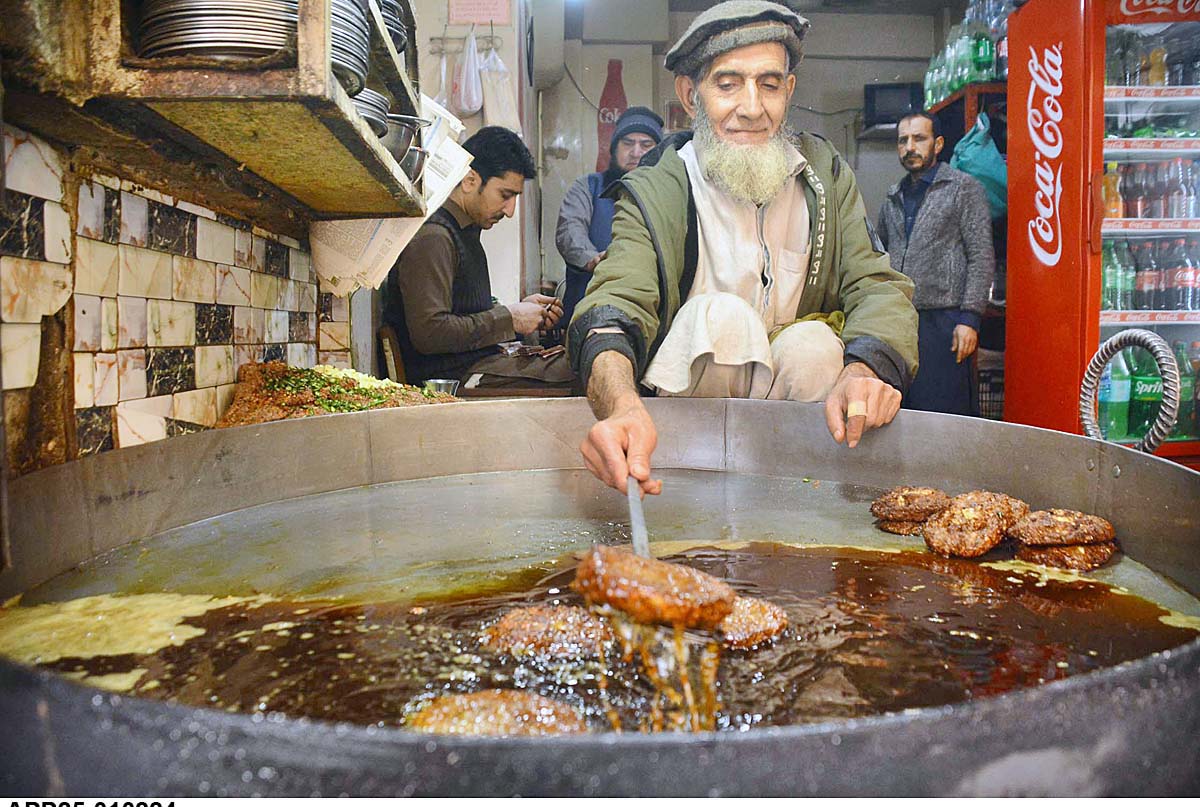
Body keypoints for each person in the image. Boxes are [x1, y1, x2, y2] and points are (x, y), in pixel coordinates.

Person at [567, 0, 919, 496]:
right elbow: (613, 305)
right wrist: (622, 407)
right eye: (728, 84)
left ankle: (802, 510)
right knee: (723, 320)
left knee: (814, 346)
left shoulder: (825, 175)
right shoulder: (658, 187)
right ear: (691, 95)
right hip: (681, 450)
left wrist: (865, 371)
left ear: (788, 91)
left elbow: (877, 284)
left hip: (802, 444)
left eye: (769, 85)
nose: (752, 108)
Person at [383, 126, 573, 389]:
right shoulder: (434, 237)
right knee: (575, 372)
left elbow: (465, 314)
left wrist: (518, 314)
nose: (509, 211)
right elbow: (430, 333)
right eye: (505, 196)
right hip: (453, 379)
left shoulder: (466, 232)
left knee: (577, 359)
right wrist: (510, 318)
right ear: (470, 180)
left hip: (476, 366)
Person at [877, 111, 994, 415]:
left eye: (919, 138)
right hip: (900, 320)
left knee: (945, 415)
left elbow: (981, 255)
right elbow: (879, 256)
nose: (909, 147)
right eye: (903, 140)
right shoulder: (893, 196)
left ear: (938, 143)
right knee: (903, 411)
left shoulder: (963, 188)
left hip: (945, 322)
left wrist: (970, 319)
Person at [556, 107, 665, 325]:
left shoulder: (668, 196)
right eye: (627, 143)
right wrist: (594, 259)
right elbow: (569, 232)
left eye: (646, 145)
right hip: (588, 313)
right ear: (614, 149)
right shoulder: (587, 187)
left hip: (651, 317)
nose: (636, 152)